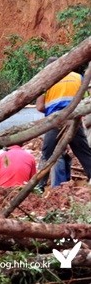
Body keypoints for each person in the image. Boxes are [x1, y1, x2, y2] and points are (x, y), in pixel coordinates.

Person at [36, 56, 91, 187]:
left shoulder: (46, 80)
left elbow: (39, 106)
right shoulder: (78, 77)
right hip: (73, 120)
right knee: (83, 152)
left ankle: (40, 186)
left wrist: (51, 109)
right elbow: (85, 102)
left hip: (55, 121)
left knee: (47, 154)